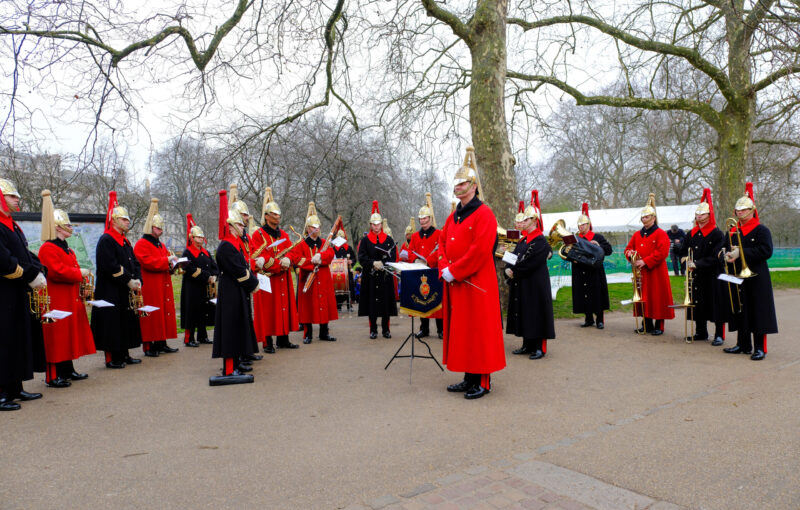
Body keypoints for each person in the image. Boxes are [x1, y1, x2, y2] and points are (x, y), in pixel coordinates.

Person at [439, 147, 505, 399]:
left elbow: (480, 251)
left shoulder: (484, 214)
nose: (459, 186)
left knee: (479, 332)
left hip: (476, 282)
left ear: (474, 186)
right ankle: (468, 377)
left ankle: (483, 381)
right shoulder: (452, 216)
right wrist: (444, 266)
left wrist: (453, 271)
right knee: (463, 332)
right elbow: (442, 243)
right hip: (457, 283)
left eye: (464, 183)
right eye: (457, 183)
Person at [37, 190, 95, 388]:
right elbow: (57, 271)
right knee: (56, 337)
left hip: (70, 296)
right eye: (67, 224)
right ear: (58, 227)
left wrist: (82, 283)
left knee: (69, 336)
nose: (70, 227)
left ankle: (67, 369)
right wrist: (80, 274)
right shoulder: (48, 248)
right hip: (56, 297)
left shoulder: (66, 247)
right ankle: (53, 375)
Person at [0, 178, 46, 410]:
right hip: (4, 291)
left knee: (17, 338)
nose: (17, 200)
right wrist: (29, 275)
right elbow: (4, 260)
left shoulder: (11, 224)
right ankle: (2, 393)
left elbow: (24, 253)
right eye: (12, 196)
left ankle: (14, 387)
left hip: (17, 291)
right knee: (4, 340)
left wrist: (38, 268)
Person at [722, 183, 778, 361]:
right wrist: (726, 255)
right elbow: (723, 249)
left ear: (752, 210)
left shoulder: (762, 230)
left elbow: (766, 251)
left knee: (757, 310)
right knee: (739, 309)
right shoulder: (732, 230)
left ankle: (759, 348)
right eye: (738, 210)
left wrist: (742, 252)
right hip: (737, 274)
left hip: (756, 275)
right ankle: (743, 344)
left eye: (744, 209)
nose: (740, 212)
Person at [210, 190, 259, 385]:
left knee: (238, 326)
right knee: (230, 329)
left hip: (237, 291)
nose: (242, 226)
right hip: (230, 292)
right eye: (239, 223)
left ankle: (236, 363)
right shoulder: (226, 246)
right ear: (230, 225)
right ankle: (229, 368)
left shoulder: (235, 244)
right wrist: (253, 284)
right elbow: (239, 270)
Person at [90, 191, 144, 369]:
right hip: (110, 289)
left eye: (127, 219)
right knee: (112, 323)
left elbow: (135, 262)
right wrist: (128, 279)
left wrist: (137, 279)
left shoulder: (125, 242)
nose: (127, 222)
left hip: (125, 289)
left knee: (125, 321)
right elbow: (110, 265)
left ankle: (125, 353)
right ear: (113, 220)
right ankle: (112, 357)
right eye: (123, 219)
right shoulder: (106, 240)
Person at [250, 187, 300, 353]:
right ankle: (267, 342)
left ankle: (283, 339)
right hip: (268, 278)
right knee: (268, 310)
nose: (277, 218)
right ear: (266, 216)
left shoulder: (284, 234)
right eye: (273, 215)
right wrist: (280, 265)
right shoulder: (258, 235)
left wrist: (289, 259)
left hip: (283, 278)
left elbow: (292, 251)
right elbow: (261, 256)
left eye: (278, 215)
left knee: (283, 308)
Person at [504, 201, 555, 360]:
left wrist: (514, 271)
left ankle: (539, 347)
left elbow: (532, 262)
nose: (522, 222)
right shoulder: (523, 240)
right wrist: (507, 267)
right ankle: (527, 344)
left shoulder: (540, 241)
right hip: (523, 281)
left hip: (536, 283)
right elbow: (516, 257)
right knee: (525, 311)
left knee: (536, 313)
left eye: (526, 220)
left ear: (534, 220)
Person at [624, 193, 674, 335]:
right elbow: (628, 249)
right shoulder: (636, 234)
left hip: (656, 272)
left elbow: (662, 252)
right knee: (643, 297)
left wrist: (645, 261)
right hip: (642, 273)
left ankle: (659, 325)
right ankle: (646, 324)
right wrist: (630, 256)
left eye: (647, 217)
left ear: (653, 218)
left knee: (657, 298)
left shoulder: (661, 234)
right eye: (643, 217)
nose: (644, 219)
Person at [134, 198, 179, 357]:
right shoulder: (142, 243)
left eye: (161, 228)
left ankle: (161, 342)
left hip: (162, 282)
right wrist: (166, 261)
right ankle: (149, 346)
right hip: (151, 284)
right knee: (151, 315)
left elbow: (164, 261)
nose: (160, 230)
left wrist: (173, 265)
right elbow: (147, 262)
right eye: (157, 228)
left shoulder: (161, 244)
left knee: (162, 314)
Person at [681, 189, 726, 345]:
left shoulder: (717, 234)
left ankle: (719, 334)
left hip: (713, 274)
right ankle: (701, 332)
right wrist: (684, 257)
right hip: (696, 275)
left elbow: (716, 256)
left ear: (709, 215)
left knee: (715, 303)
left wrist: (698, 264)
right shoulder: (691, 233)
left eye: (702, 214)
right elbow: (684, 250)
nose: (699, 217)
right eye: (697, 214)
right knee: (698, 303)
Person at [291, 202, 338, 343]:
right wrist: (312, 262)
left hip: (323, 279)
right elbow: (296, 259)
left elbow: (330, 254)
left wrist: (321, 257)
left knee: (324, 305)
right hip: (308, 278)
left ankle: (324, 332)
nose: (315, 229)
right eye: (313, 227)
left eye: (317, 227)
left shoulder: (324, 243)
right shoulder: (301, 244)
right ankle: (308, 334)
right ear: (307, 228)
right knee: (307, 308)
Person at [229, 183, 263, 364]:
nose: (245, 220)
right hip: (240, 281)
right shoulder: (234, 238)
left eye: (246, 217)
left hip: (249, 278)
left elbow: (250, 254)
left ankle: (248, 350)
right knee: (241, 319)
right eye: (242, 216)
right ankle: (241, 354)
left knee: (249, 318)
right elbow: (239, 260)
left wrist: (258, 262)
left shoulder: (246, 236)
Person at [357, 201, 398, 338]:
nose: (376, 226)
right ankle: (373, 329)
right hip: (370, 277)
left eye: (378, 224)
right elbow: (361, 258)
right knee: (372, 306)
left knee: (386, 304)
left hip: (385, 277)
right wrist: (372, 263)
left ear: (382, 224)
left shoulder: (389, 240)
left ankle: (386, 329)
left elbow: (393, 257)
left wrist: (383, 262)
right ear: (370, 225)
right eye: (374, 224)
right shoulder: (365, 241)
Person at [407, 192, 443, 339]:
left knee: (437, 301)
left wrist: (428, 261)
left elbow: (441, 251)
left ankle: (441, 329)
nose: (423, 222)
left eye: (425, 219)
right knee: (422, 300)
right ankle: (424, 328)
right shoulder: (415, 236)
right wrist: (416, 260)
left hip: (433, 271)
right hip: (420, 271)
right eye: (421, 219)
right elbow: (410, 252)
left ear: (430, 219)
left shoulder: (439, 234)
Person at [572, 203, 613, 329]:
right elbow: (571, 251)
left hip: (594, 271)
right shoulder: (575, 238)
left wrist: (598, 245)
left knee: (597, 294)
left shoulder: (597, 237)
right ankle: (588, 319)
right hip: (580, 269)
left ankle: (600, 320)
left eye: (583, 224)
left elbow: (609, 250)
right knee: (583, 293)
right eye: (579, 225)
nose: (580, 227)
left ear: (588, 225)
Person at [180, 214, 218, 347]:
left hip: (205, 287)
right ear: (192, 238)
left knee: (203, 311)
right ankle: (189, 338)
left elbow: (214, 266)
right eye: (198, 237)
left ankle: (203, 336)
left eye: (202, 237)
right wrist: (206, 276)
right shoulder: (187, 252)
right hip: (192, 286)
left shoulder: (206, 252)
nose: (201, 239)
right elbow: (188, 268)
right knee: (191, 312)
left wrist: (214, 276)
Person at [332, 229, 356, 311]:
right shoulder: (333, 249)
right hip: (337, 272)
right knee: (337, 288)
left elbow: (354, 259)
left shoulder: (349, 248)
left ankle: (350, 305)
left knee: (349, 287)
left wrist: (351, 261)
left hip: (347, 271)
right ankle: (338, 306)